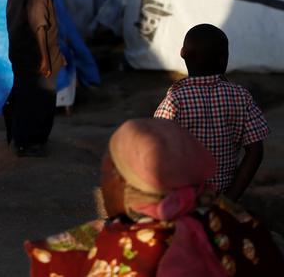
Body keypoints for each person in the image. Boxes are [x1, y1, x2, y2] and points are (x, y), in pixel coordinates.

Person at [24, 118, 284, 276]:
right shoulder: (237, 221)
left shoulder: (118, 250)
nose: (102, 188)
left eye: (105, 176)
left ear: (123, 180)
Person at [154, 24, 269, 200]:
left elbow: (155, 149)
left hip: (182, 201)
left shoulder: (174, 101)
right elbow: (255, 152)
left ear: (183, 54)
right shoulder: (240, 96)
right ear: (224, 59)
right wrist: (230, 199)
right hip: (223, 198)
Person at [2, 0, 64, 157]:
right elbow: (39, 26)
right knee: (42, 101)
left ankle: (21, 140)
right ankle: (34, 142)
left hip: (20, 58)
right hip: (39, 61)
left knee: (23, 98)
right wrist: (45, 60)